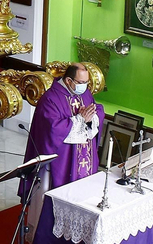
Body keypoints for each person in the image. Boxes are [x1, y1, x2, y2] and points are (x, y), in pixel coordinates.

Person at [21, 63, 104, 194]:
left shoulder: (84, 93)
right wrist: (80, 119)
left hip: (84, 156)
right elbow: (53, 129)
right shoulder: (50, 99)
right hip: (63, 159)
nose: (85, 87)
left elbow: (96, 109)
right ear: (68, 80)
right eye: (81, 82)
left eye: (87, 82)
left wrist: (91, 117)